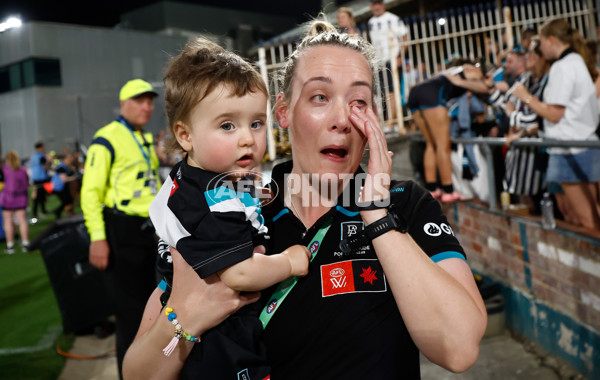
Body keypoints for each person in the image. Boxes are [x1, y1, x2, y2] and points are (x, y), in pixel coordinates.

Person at [124, 18, 487, 379]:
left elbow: (459, 349)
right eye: (319, 97)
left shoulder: (405, 203)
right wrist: (186, 318)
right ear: (283, 111)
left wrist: (376, 213)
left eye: (359, 101)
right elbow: (138, 374)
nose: (342, 119)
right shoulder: (230, 211)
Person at [147, 37, 311, 378]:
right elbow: (239, 274)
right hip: (219, 345)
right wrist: (291, 261)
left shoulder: (206, 177)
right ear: (185, 135)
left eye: (255, 123)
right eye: (227, 125)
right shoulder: (207, 196)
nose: (247, 138)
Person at [80, 78, 161, 376]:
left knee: (153, 307)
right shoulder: (107, 138)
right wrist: (97, 238)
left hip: (149, 231)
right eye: (140, 101)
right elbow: (90, 193)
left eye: (150, 101)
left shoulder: (143, 137)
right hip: (123, 231)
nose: (147, 106)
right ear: (124, 104)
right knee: (130, 314)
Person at [510, 19, 600, 230]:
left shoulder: (562, 66)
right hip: (583, 143)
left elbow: (555, 114)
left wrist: (526, 98)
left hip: (569, 148)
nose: (539, 48)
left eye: (540, 42)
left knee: (586, 221)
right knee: (593, 214)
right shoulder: (576, 60)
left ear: (551, 40)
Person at [407, 59, 489, 201]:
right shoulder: (467, 71)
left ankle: (432, 189)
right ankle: (449, 191)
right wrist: (462, 83)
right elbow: (484, 88)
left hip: (415, 94)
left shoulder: (447, 72)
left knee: (431, 144)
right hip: (432, 95)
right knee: (443, 145)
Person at [501, 37, 551, 214]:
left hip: (549, 152)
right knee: (536, 205)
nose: (527, 56)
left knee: (564, 210)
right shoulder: (528, 79)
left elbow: (537, 119)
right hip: (531, 156)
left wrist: (515, 114)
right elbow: (506, 104)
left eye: (530, 53)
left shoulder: (548, 80)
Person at [368, 0, 408, 127]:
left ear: (383, 5)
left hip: (392, 60)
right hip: (379, 62)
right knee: (381, 93)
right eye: (374, 4)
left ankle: (391, 122)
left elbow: (405, 37)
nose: (377, 7)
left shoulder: (393, 19)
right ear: (371, 6)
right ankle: (386, 121)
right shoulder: (371, 22)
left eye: (379, 3)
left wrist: (400, 56)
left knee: (392, 92)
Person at [1, 151, 30, 254]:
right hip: (21, 198)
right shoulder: (23, 170)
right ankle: (25, 243)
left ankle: (10, 245)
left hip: (7, 199)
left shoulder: (4, 171)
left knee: (8, 222)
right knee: (22, 220)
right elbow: (27, 184)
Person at [51, 153, 77, 219]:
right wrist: (73, 178)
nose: (70, 161)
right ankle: (58, 212)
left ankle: (61, 212)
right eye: (68, 159)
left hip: (62, 187)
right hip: (58, 187)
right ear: (64, 160)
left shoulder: (66, 167)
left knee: (68, 200)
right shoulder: (61, 167)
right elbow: (64, 179)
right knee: (66, 201)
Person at [29, 141, 51, 221]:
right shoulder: (42, 156)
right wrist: (49, 160)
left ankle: (42, 210)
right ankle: (36, 212)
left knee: (40, 195)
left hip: (35, 178)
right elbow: (45, 167)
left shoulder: (33, 157)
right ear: (40, 147)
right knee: (39, 196)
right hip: (41, 178)